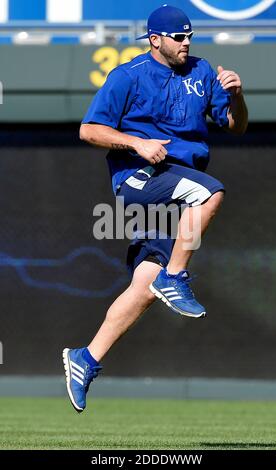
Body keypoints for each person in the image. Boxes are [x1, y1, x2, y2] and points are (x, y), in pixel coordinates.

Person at [63, 4, 248, 412]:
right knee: (212, 193)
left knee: (145, 285)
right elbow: (88, 129)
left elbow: (236, 126)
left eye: (189, 36)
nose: (186, 43)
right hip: (141, 178)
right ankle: (177, 276)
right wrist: (137, 143)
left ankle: (86, 359)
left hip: (179, 188)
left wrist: (237, 97)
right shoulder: (127, 76)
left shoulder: (201, 72)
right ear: (155, 40)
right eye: (178, 37)